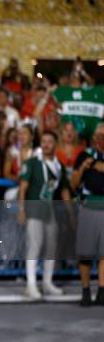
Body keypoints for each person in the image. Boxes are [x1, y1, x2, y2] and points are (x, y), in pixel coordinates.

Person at [18, 131, 73, 299]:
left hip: (50, 210)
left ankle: (47, 283)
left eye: (50, 141)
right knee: (35, 246)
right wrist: (21, 209)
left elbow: (64, 191)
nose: (46, 144)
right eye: (44, 141)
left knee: (51, 248)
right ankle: (31, 285)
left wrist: (72, 214)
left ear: (55, 144)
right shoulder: (32, 163)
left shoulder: (58, 166)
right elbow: (23, 188)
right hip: (34, 209)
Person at [71, 123, 104, 306]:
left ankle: (101, 290)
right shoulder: (85, 155)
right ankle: (85, 290)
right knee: (85, 253)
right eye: (99, 134)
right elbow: (74, 183)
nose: (101, 138)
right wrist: (84, 167)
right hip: (88, 206)